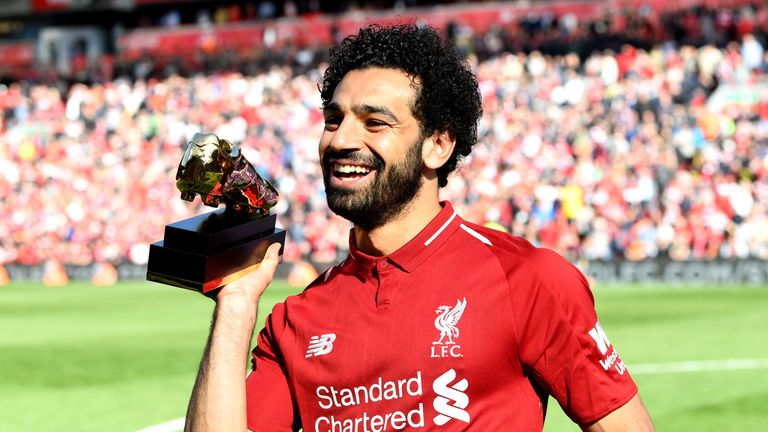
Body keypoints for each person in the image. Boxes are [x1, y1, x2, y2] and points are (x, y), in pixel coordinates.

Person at [184, 24, 654, 432]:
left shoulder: (527, 279)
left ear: (437, 146)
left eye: (375, 122)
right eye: (334, 119)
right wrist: (237, 302)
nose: (342, 139)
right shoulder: (295, 320)